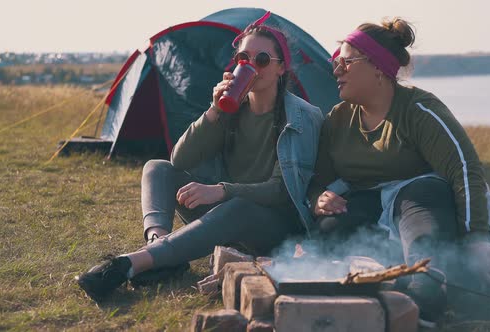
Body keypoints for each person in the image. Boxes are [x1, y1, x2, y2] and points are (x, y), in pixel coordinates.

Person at [77, 12, 324, 303]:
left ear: (282, 68)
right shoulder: (231, 109)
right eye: (244, 59)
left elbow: (283, 190)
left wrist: (220, 190)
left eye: (262, 60)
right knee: (158, 168)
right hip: (224, 216)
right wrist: (214, 111)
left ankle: (129, 264)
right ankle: (159, 247)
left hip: (270, 227)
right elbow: (180, 160)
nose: (252, 67)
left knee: (238, 207)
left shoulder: (302, 116)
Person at [307, 18, 490, 324]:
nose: (336, 70)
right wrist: (318, 199)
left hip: (429, 208)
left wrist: (477, 239)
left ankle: (427, 290)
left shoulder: (419, 110)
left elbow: (465, 170)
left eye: (347, 62)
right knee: (328, 232)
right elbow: (318, 183)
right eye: (336, 61)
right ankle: (391, 280)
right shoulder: (337, 120)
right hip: (377, 212)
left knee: (418, 191)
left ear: (378, 67)